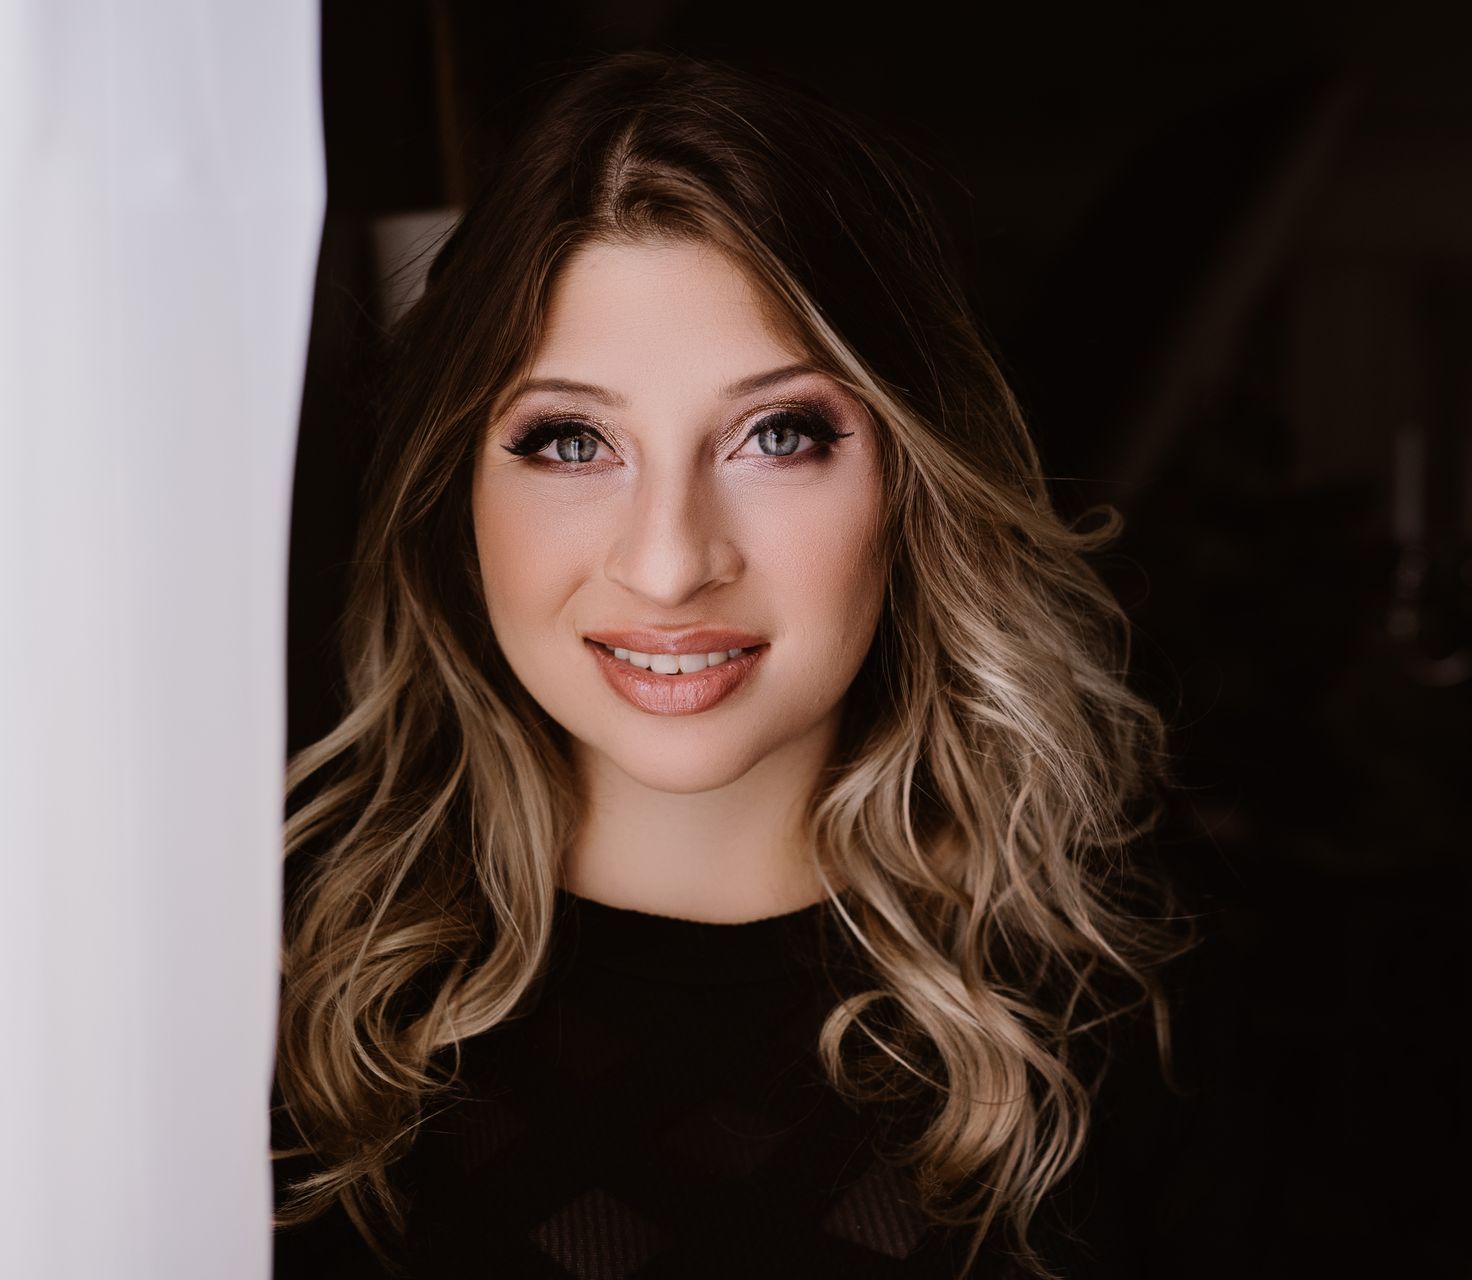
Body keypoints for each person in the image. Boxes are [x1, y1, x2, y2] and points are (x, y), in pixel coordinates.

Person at [271, 48, 1194, 1280]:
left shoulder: (1127, 1030)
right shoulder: (265, 1014)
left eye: (776, 434)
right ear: (455, 492)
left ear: (911, 483)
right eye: (569, 439)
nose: (667, 564)